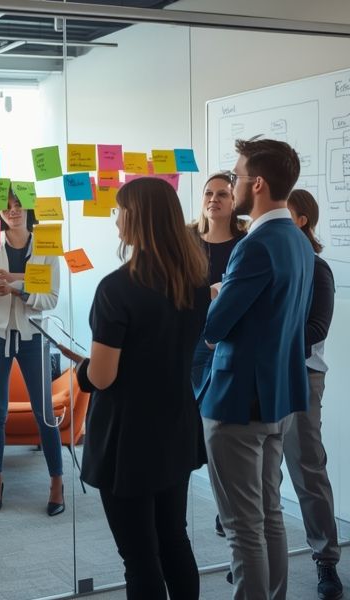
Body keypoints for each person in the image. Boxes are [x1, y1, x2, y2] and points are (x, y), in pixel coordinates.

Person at [59, 177, 209, 600]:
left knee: (140, 557)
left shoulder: (117, 288)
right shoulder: (195, 282)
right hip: (176, 424)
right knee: (174, 539)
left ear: (139, 218)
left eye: (120, 210)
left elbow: (103, 377)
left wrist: (81, 372)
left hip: (129, 437)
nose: (116, 220)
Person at [199, 137, 313, 600]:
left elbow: (215, 326)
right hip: (278, 399)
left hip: (238, 403)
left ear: (258, 184)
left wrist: (217, 297)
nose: (233, 184)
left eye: (237, 176)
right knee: (269, 518)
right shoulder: (299, 241)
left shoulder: (255, 246)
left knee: (242, 528)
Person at [0, 189, 64, 516]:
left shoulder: (46, 246)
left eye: (18, 205)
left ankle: (57, 483)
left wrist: (17, 289)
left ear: (29, 209)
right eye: (7, 207)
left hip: (32, 337)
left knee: (45, 413)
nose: (13, 211)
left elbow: (51, 298)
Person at [283, 189, 342, 600]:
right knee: (260, 471)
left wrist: (267, 342)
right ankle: (253, 559)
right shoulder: (270, 262)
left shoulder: (318, 269)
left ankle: (326, 561)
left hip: (302, 376)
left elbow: (316, 329)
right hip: (262, 375)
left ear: (302, 219)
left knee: (307, 469)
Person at [189, 172, 246, 393]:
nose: (213, 199)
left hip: (230, 336)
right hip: (191, 334)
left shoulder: (246, 243)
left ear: (234, 202)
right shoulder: (186, 238)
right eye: (208, 193)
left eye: (222, 194)